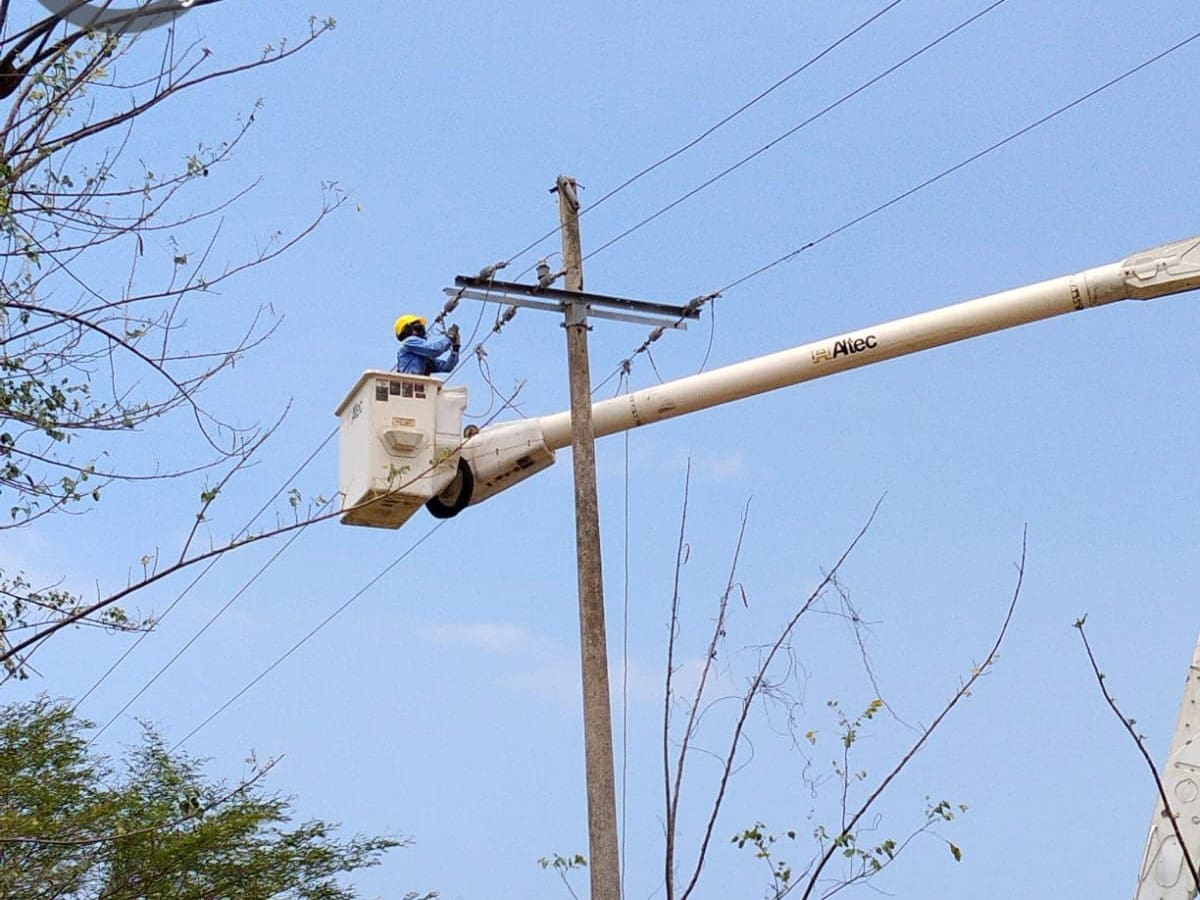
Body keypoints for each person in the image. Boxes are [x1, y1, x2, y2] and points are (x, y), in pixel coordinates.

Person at [394, 314, 460, 376]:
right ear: (407, 331)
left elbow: (446, 367)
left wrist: (455, 348)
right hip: (409, 384)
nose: (422, 331)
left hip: (418, 385)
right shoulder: (409, 342)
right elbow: (435, 350)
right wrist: (450, 337)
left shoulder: (422, 357)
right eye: (418, 328)